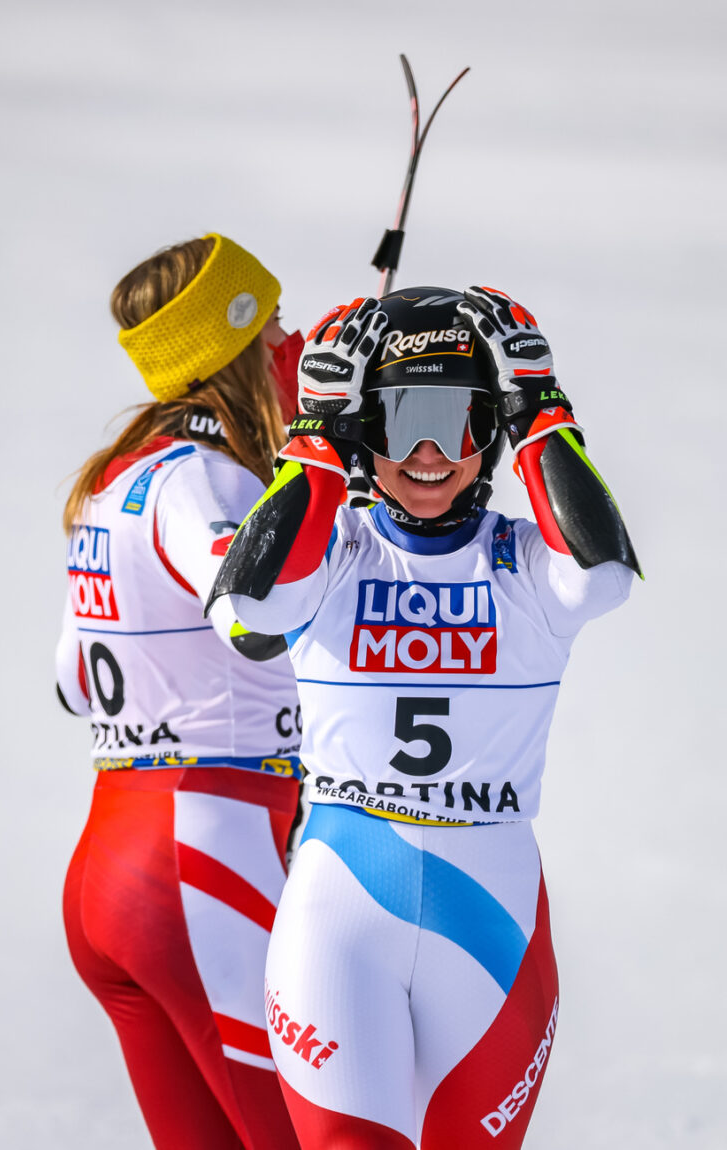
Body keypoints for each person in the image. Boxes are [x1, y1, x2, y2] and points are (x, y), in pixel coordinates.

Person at [206, 285, 641, 1149]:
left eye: (465, 419)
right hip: (340, 916)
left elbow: (605, 573)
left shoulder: (526, 564)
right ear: (366, 435)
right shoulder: (331, 552)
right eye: (402, 421)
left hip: (489, 928)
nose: (434, 452)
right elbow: (246, 607)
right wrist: (318, 439)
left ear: (496, 429)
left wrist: (544, 408)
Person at [56, 233, 304, 1150]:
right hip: (203, 856)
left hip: (115, 860)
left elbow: (72, 677)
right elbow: (260, 607)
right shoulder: (206, 480)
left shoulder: (115, 478)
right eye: (275, 320)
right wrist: (317, 489)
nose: (295, 338)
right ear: (234, 344)